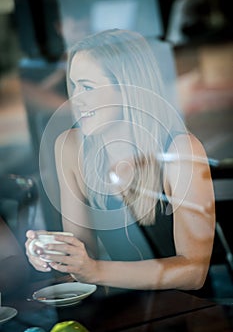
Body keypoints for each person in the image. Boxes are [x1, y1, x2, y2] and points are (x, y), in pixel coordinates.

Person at [25, 29, 215, 291]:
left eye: (88, 87)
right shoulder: (69, 147)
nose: (76, 99)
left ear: (127, 88)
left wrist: (94, 270)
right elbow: (83, 252)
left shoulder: (181, 150)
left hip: (192, 310)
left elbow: (194, 273)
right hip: (125, 305)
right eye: (74, 86)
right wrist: (54, 253)